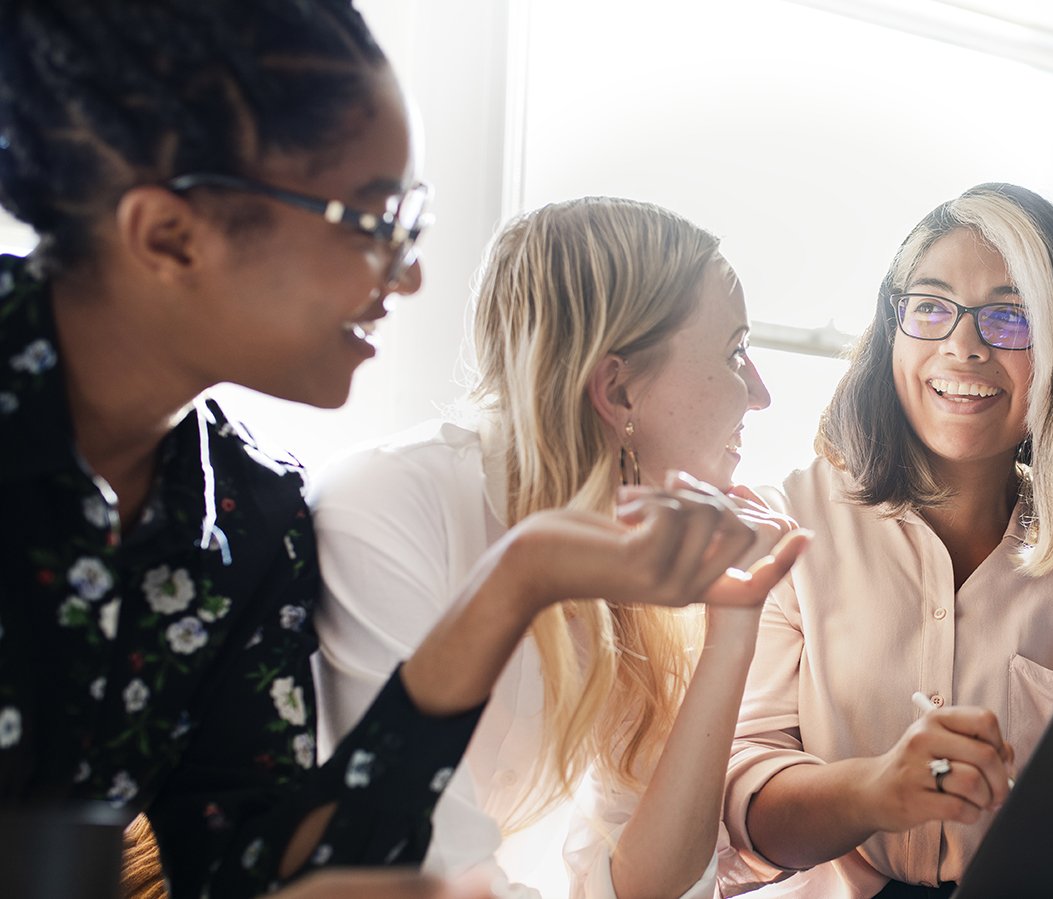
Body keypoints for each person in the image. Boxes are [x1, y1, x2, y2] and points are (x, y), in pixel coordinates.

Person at [0, 3, 787, 897]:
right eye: (371, 220)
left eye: (411, 221)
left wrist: (518, 577)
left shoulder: (251, 518)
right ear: (169, 235)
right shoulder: (357, 502)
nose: (409, 274)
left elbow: (246, 862)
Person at [312, 197, 808, 898]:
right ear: (616, 388)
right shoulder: (388, 504)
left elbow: (644, 885)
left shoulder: (636, 567)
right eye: (734, 352)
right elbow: (415, 863)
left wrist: (734, 626)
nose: (759, 394)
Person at [720, 182, 1053, 897]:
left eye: (1009, 316)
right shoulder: (789, 528)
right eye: (930, 308)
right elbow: (739, 804)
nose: (962, 346)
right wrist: (872, 789)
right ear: (892, 329)